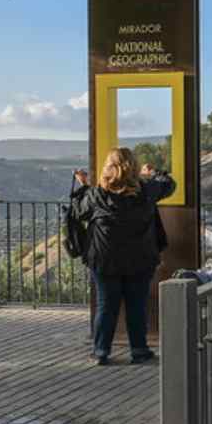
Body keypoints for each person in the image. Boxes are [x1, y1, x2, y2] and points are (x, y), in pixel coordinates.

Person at [73, 147, 175, 366]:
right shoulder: (147, 190)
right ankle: (139, 351)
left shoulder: (97, 194)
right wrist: (153, 173)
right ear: (134, 167)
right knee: (136, 305)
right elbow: (169, 185)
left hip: (104, 259)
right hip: (140, 259)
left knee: (106, 305)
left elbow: (79, 212)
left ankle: (101, 352)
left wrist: (83, 185)